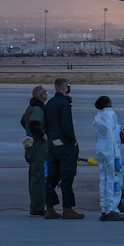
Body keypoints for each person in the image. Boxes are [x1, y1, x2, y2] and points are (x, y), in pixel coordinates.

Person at [44, 77, 82, 219]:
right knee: (67, 177)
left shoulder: (49, 103)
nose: (69, 88)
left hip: (53, 145)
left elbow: (45, 125)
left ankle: (50, 208)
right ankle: (67, 209)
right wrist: (73, 142)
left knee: (51, 178)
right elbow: (67, 126)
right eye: (68, 86)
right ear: (63, 87)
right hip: (65, 147)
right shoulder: (64, 104)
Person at [92, 94, 124, 220]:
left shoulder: (98, 116)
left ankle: (104, 207)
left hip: (101, 150)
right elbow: (111, 135)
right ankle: (112, 209)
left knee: (104, 179)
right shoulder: (110, 114)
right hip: (111, 152)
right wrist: (115, 154)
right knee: (114, 179)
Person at [20, 85, 49, 217]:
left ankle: (36, 205)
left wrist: (28, 133)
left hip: (31, 147)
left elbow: (23, 121)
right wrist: (42, 135)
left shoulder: (30, 107)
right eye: (45, 93)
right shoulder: (37, 109)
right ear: (40, 95)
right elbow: (33, 123)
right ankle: (38, 207)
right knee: (39, 177)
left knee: (34, 176)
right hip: (38, 148)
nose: (46, 94)